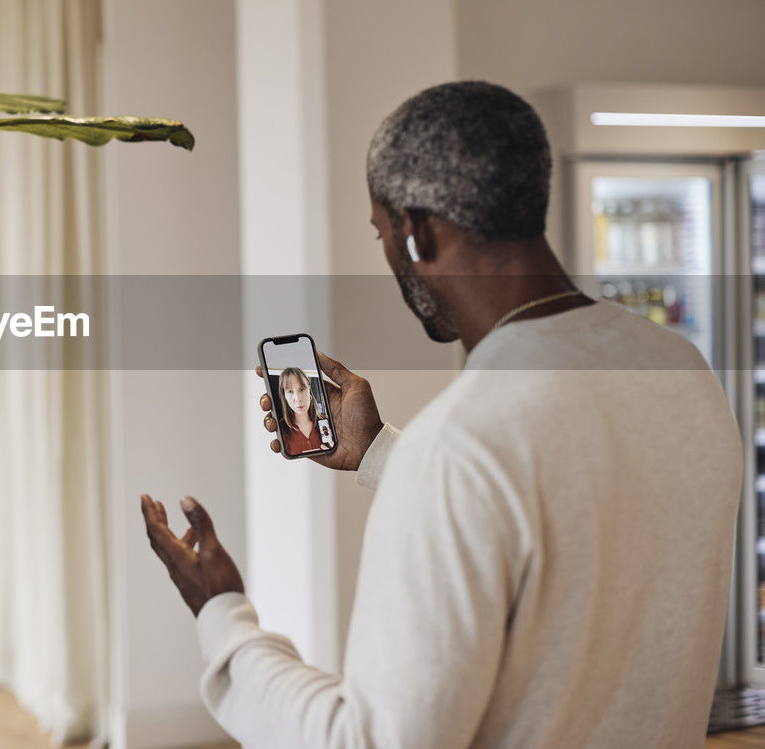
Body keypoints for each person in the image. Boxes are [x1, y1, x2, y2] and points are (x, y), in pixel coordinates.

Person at [140, 81, 742, 748]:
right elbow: (568, 518)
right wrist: (379, 451)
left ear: (417, 231)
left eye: (381, 232)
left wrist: (223, 617)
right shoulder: (680, 366)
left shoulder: (459, 444)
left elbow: (373, 742)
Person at [275, 366, 325, 456]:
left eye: (302, 389)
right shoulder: (281, 429)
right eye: (290, 391)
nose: (298, 399)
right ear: (284, 396)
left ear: (309, 389)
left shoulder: (326, 422)